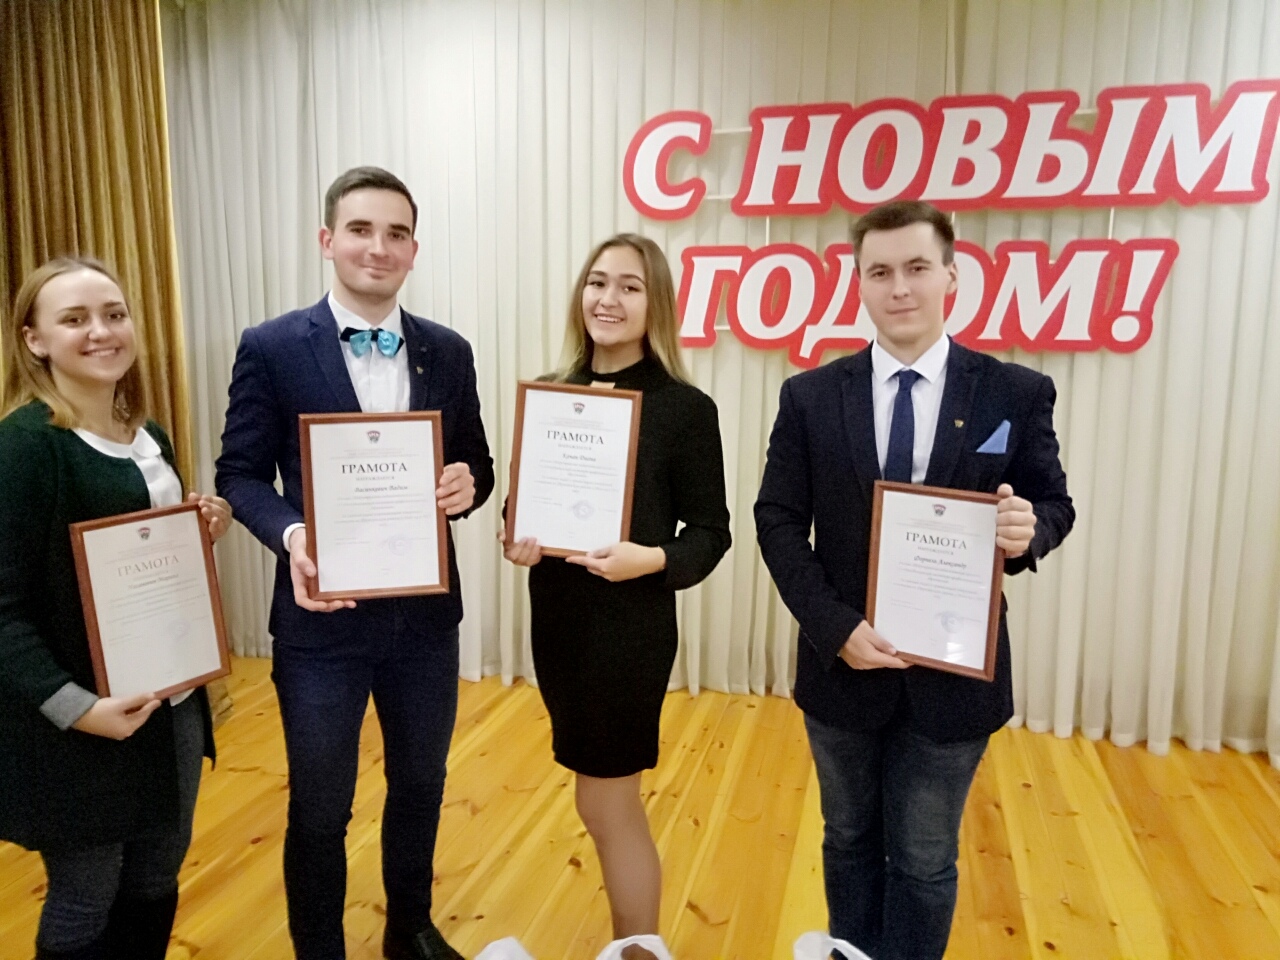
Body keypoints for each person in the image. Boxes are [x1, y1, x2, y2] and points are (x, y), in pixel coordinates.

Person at [754, 200, 1075, 960]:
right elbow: (776, 520)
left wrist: (1030, 529)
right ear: (859, 283)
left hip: (955, 676)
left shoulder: (1014, 392)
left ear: (951, 276)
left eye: (917, 268)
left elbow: (1053, 503)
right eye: (880, 272)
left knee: (926, 862)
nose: (899, 287)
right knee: (848, 839)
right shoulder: (809, 396)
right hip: (842, 668)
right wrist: (835, 628)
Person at [215, 166, 494, 960]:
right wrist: (294, 535)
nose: (379, 247)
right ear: (328, 239)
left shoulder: (448, 350)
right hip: (320, 626)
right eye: (362, 230)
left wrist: (469, 484)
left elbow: (476, 460)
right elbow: (239, 475)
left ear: (414, 249)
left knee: (421, 786)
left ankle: (409, 931)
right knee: (320, 806)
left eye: (397, 233)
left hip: (424, 622)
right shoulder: (271, 346)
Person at [502, 233, 731, 958]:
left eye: (629, 286)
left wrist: (651, 559)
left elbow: (712, 534)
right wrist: (517, 536)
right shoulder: (552, 393)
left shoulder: (685, 409)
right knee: (597, 795)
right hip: (559, 625)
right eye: (597, 282)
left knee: (607, 802)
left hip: (627, 630)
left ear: (655, 303)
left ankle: (638, 949)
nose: (608, 298)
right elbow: (521, 508)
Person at [0, 256, 230, 959]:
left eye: (114, 314)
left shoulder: (148, 434)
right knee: (86, 894)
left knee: (158, 872)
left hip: (172, 700)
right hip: (82, 719)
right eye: (75, 319)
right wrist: (78, 708)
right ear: (35, 339)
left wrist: (200, 526)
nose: (101, 331)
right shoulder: (24, 448)